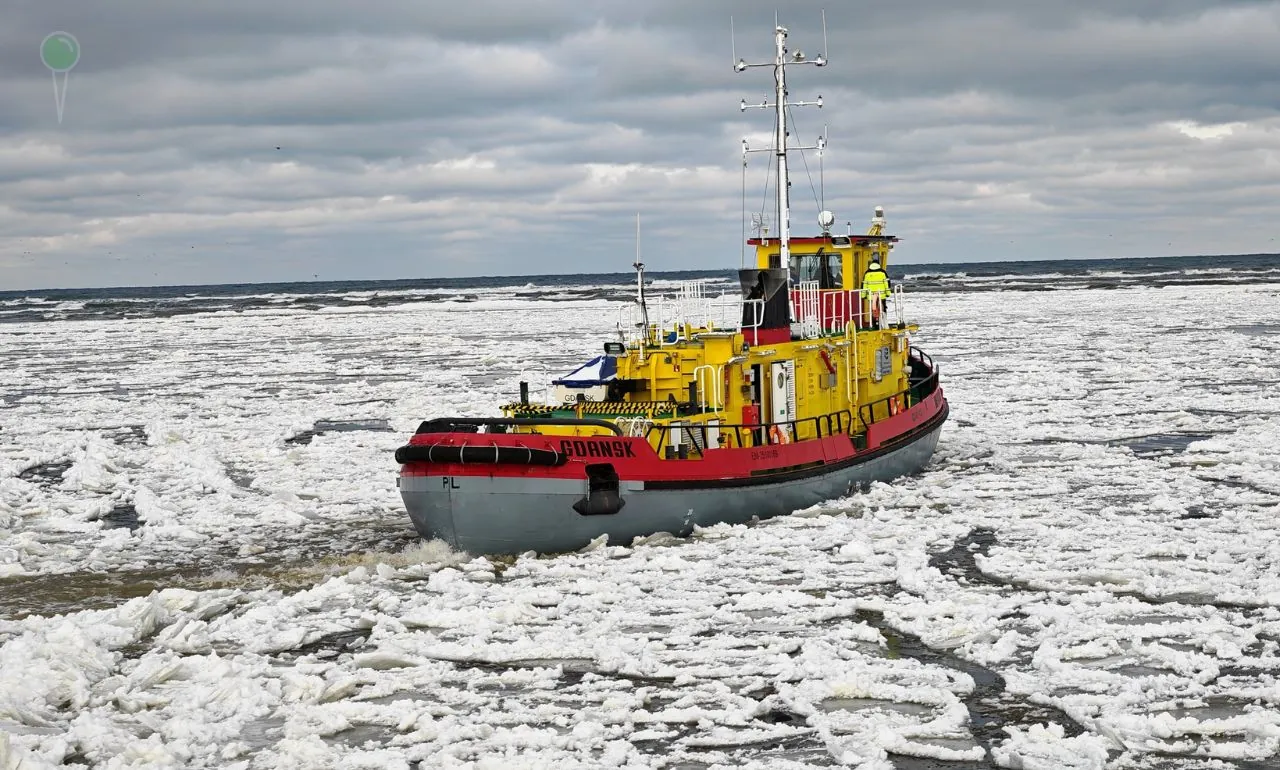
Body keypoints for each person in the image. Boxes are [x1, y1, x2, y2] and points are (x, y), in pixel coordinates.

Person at [862, 258, 891, 328]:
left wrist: (863, 295)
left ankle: (874, 324)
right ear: (879, 264)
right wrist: (888, 293)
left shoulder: (867, 273)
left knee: (872, 309)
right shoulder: (883, 272)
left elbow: (864, 285)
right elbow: (887, 284)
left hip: (871, 295)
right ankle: (884, 323)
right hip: (881, 294)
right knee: (883, 308)